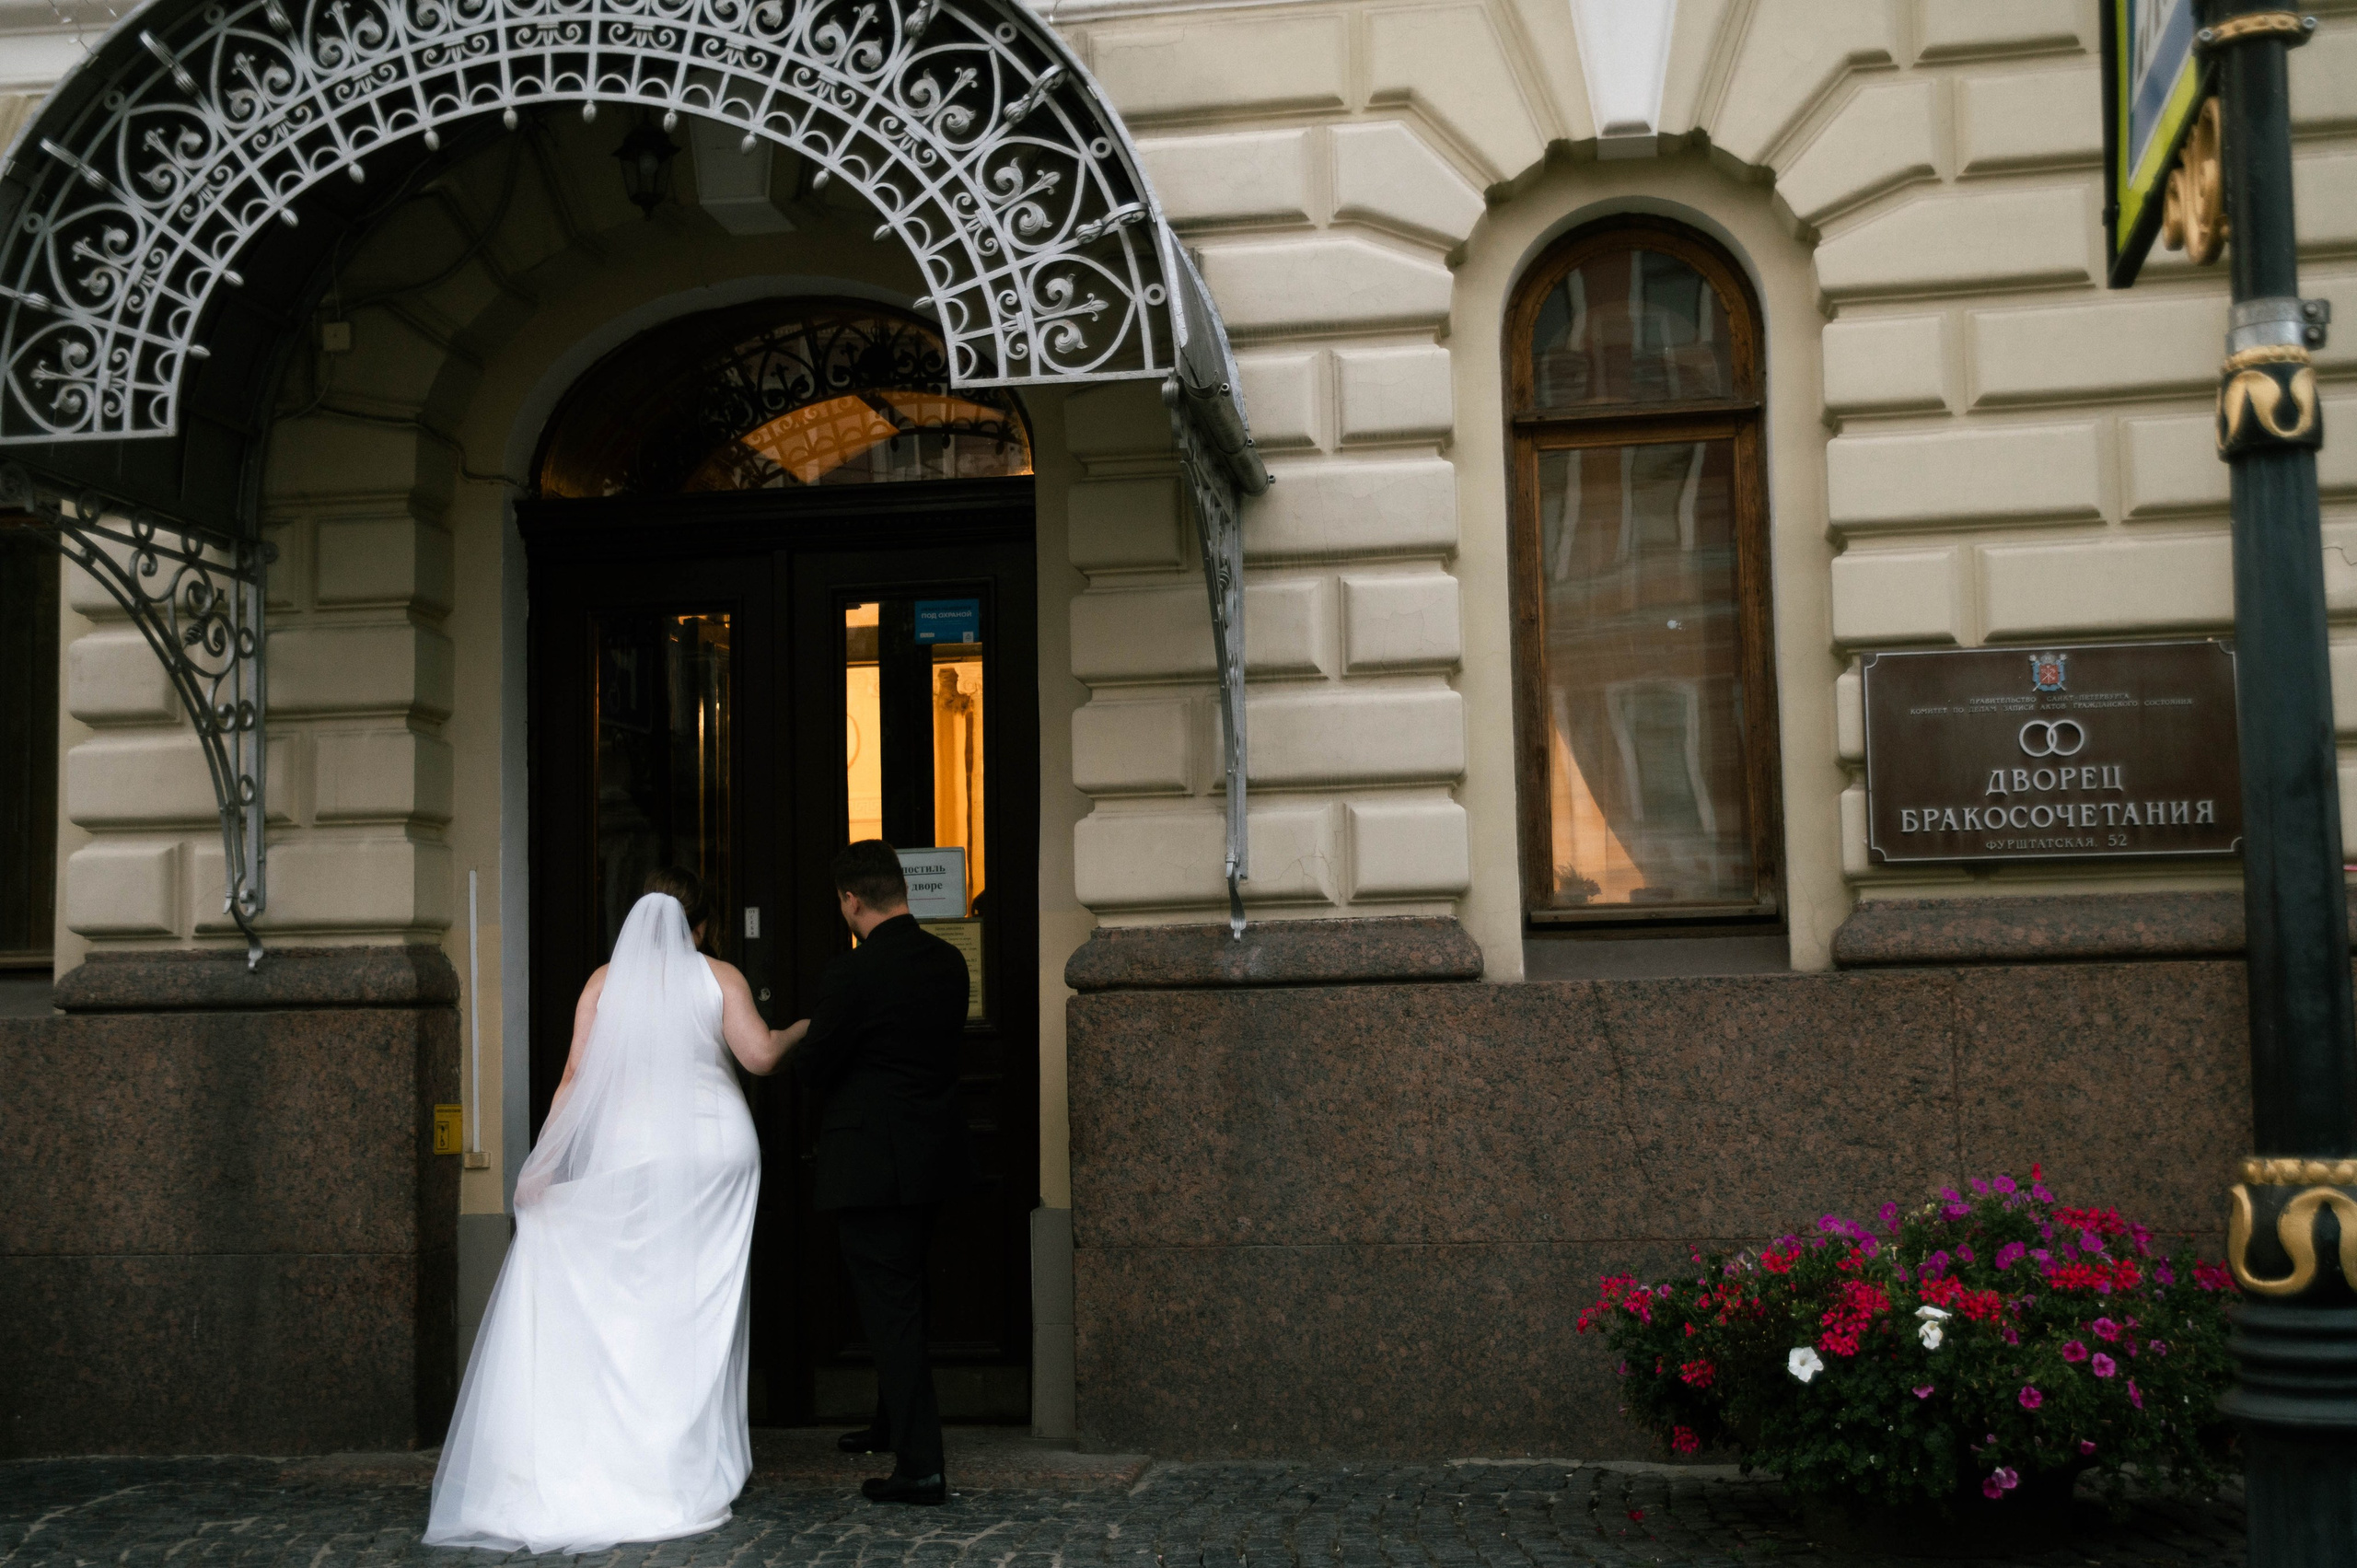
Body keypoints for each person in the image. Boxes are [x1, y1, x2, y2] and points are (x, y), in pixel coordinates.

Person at [424, 866, 795, 1554]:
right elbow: (760, 1054)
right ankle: (693, 1452)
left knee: (633, 1299)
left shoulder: (603, 982)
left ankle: (633, 1446)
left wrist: (542, 1166)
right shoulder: (721, 975)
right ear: (703, 925)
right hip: (717, 1159)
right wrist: (803, 1027)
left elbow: (573, 1078)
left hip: (632, 1155)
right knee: (700, 1308)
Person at [790, 839, 972, 1505]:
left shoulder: (853, 974)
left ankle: (921, 1465)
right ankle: (889, 1421)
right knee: (907, 1299)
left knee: (889, 1310)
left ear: (850, 899)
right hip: (933, 1155)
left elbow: (813, 1067)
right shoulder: (949, 962)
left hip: (870, 1164)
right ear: (901, 889)